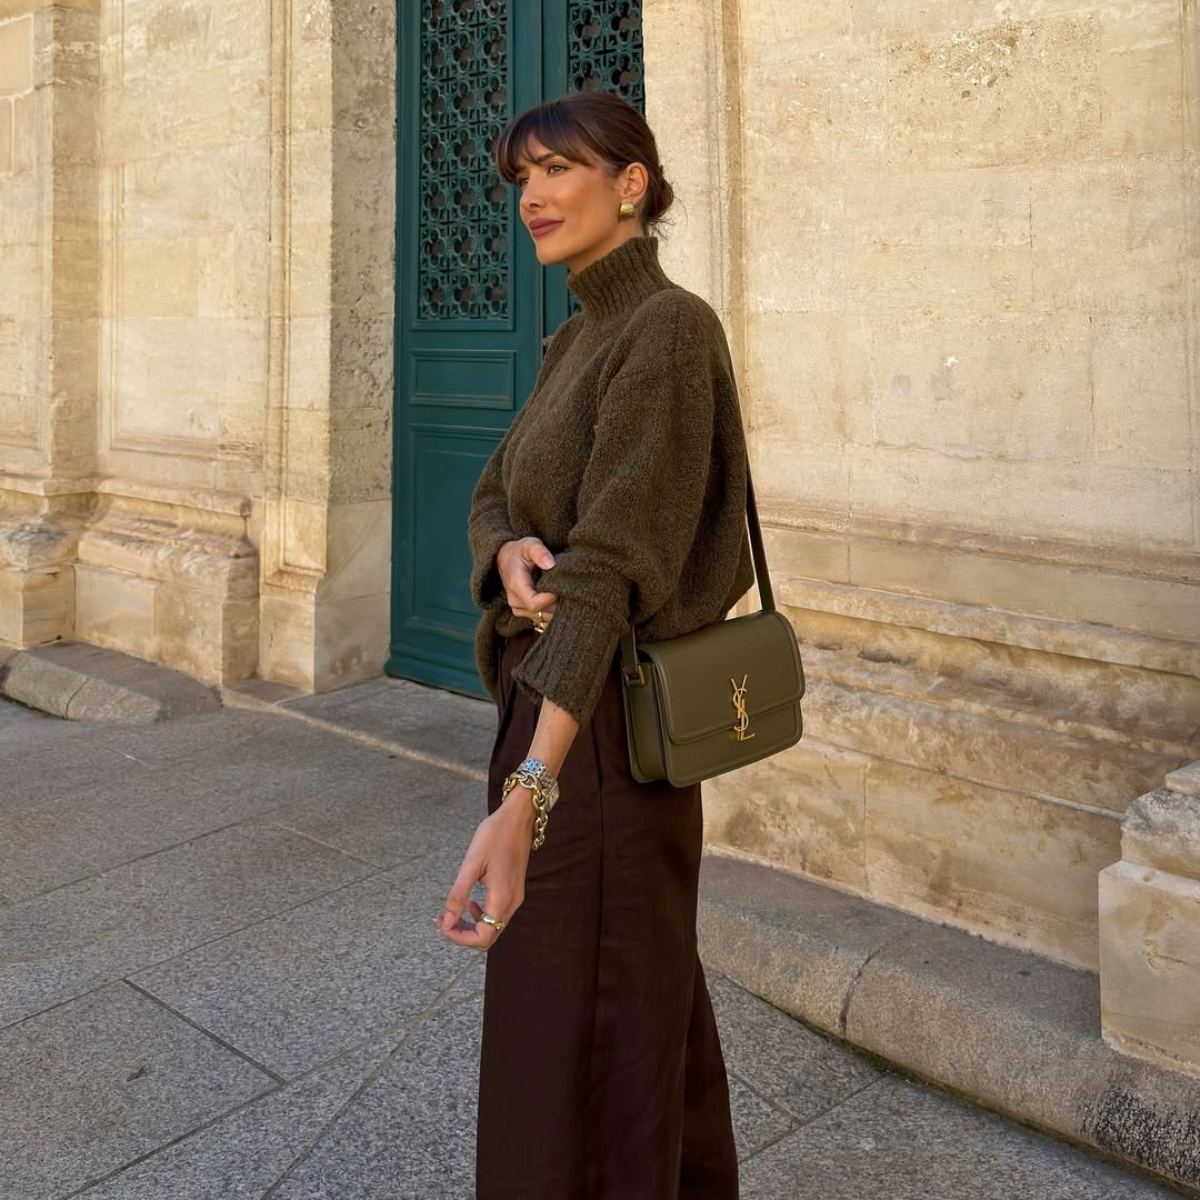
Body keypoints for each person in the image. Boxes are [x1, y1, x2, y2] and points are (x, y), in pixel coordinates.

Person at [434, 89, 754, 1200]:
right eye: (521, 176)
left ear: (631, 183)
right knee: (624, 1015)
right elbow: (493, 485)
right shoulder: (581, 331)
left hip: (601, 738)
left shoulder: (667, 330)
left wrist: (529, 795)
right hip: (561, 713)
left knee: (573, 1043)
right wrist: (511, 549)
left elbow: (614, 569)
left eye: (558, 169)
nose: (532, 196)